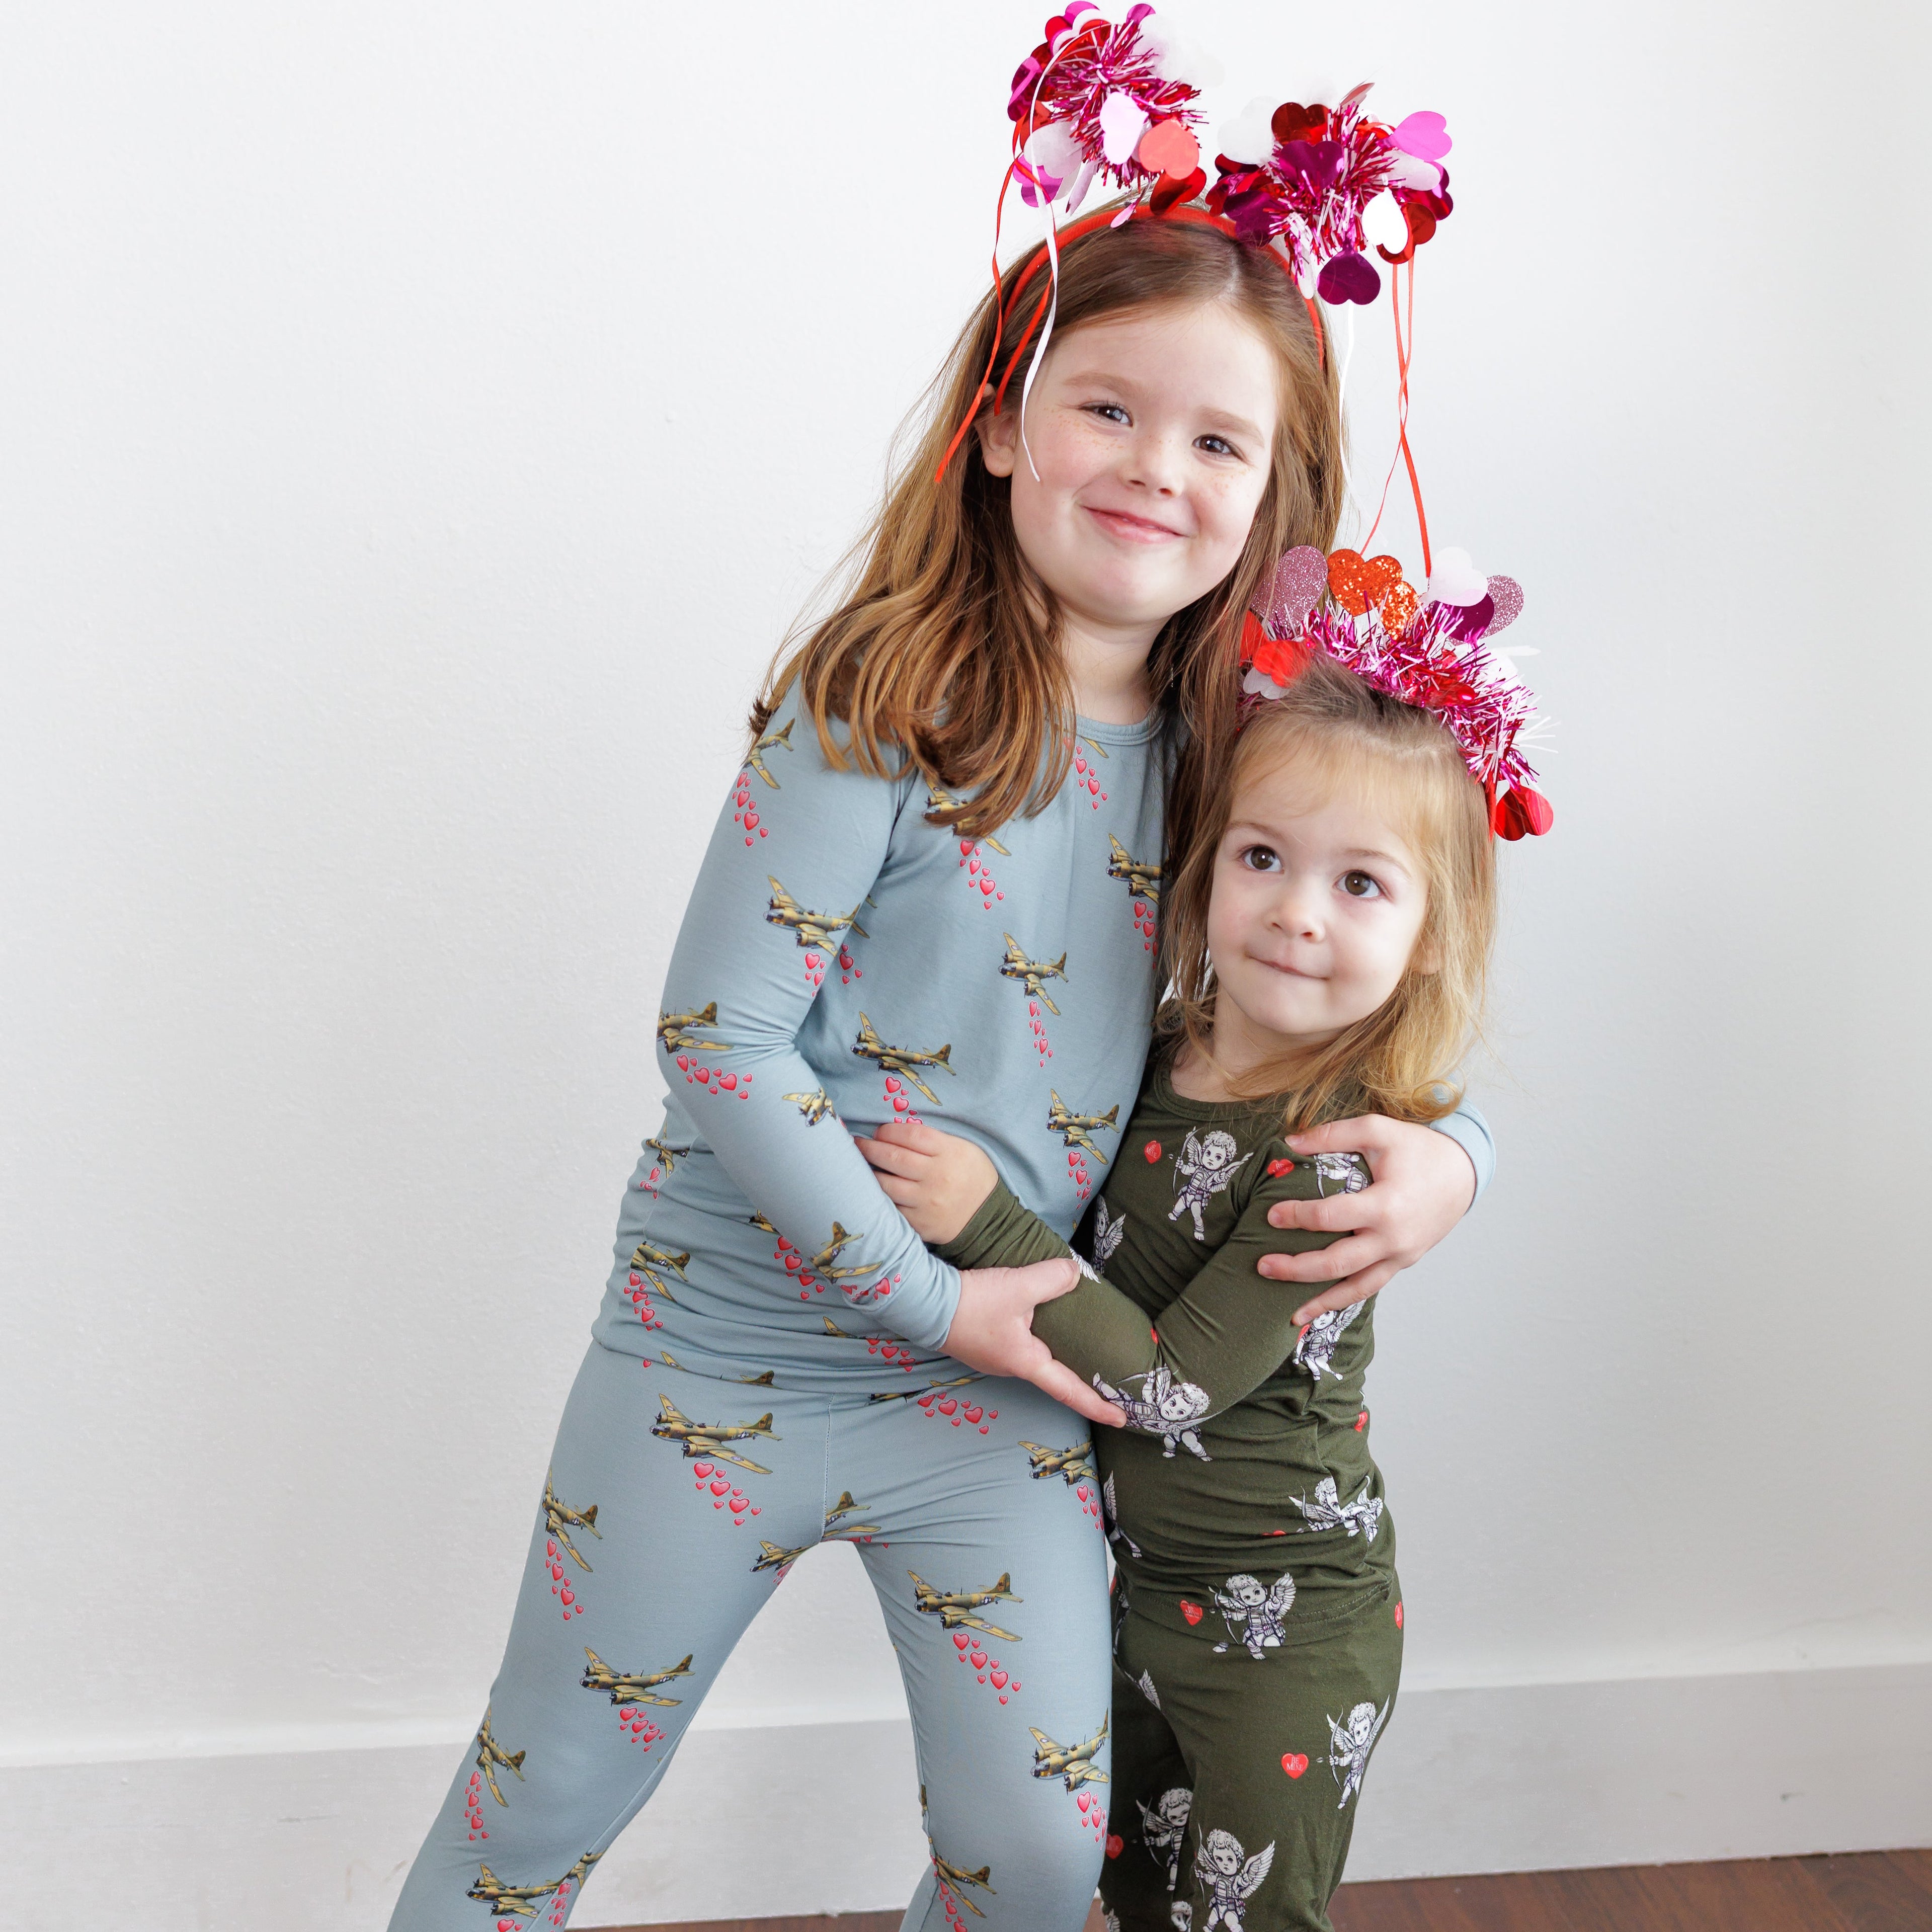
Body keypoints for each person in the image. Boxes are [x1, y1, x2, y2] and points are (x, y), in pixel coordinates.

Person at [386, 30, 1496, 1932]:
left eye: (1219, 441)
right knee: (548, 1788)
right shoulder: (883, 698)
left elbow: (1357, 984)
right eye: (1109, 412)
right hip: (728, 1351)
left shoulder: (1252, 763)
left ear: (1274, 500)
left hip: (1002, 1399)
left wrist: (1461, 1154)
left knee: (1043, 1853)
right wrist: (937, 1300)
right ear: (1001, 425)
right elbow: (716, 1035)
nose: (1157, 470)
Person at [862, 606, 1548, 1928]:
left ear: (1430, 936)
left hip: (1289, 1636)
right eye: (1263, 856)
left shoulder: (1336, 1156)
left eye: (1361, 884)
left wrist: (983, 1220)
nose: (1296, 913)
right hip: (1135, 1604)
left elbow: (1172, 1389)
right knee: (1110, 1892)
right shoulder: (1153, 1050)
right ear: (1203, 865)